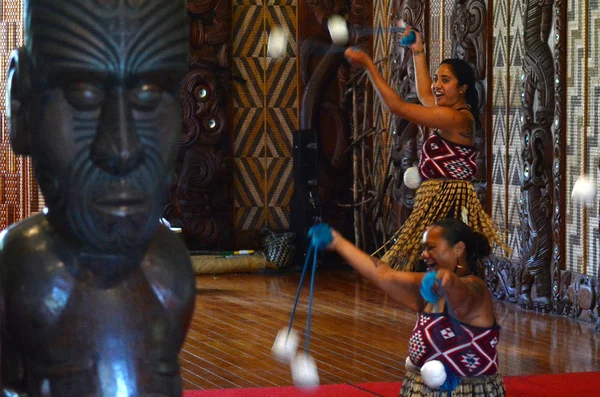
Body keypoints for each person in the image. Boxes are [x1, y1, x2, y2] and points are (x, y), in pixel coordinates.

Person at [1, 0, 195, 395]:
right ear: (20, 103)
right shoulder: (20, 276)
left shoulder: (169, 275)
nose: (122, 149)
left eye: (150, 95)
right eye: (83, 95)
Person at [344, 27, 509, 271]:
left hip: (445, 199)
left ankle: (450, 298)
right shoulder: (453, 113)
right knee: (435, 260)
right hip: (437, 197)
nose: (436, 85)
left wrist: (369, 66)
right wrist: (418, 52)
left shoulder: (456, 119)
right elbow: (423, 95)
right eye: (436, 78)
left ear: (463, 88)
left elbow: (397, 107)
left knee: (439, 260)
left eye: (446, 80)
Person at [326, 218, 506, 396]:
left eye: (431, 247)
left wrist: (447, 280)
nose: (424, 254)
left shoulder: (476, 288)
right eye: (423, 248)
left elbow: (462, 297)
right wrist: (338, 242)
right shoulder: (431, 286)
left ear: (458, 248)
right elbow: (383, 275)